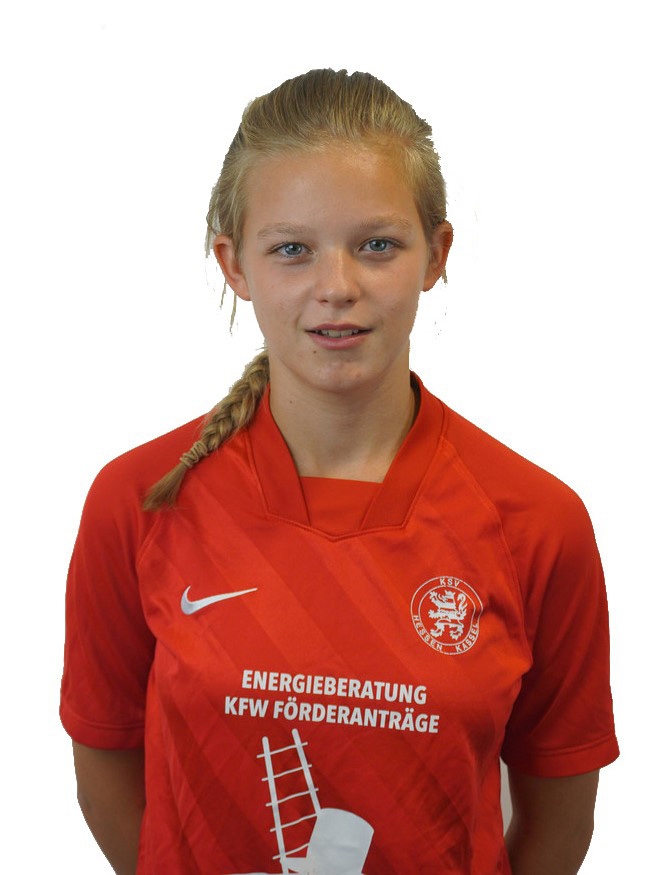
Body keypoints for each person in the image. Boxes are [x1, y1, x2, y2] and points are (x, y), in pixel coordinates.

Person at [60, 68, 619, 875]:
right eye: (291, 249)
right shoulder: (140, 500)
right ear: (234, 264)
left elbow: (558, 815)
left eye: (376, 245)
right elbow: (106, 772)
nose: (336, 287)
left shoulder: (535, 520)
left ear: (435, 254)